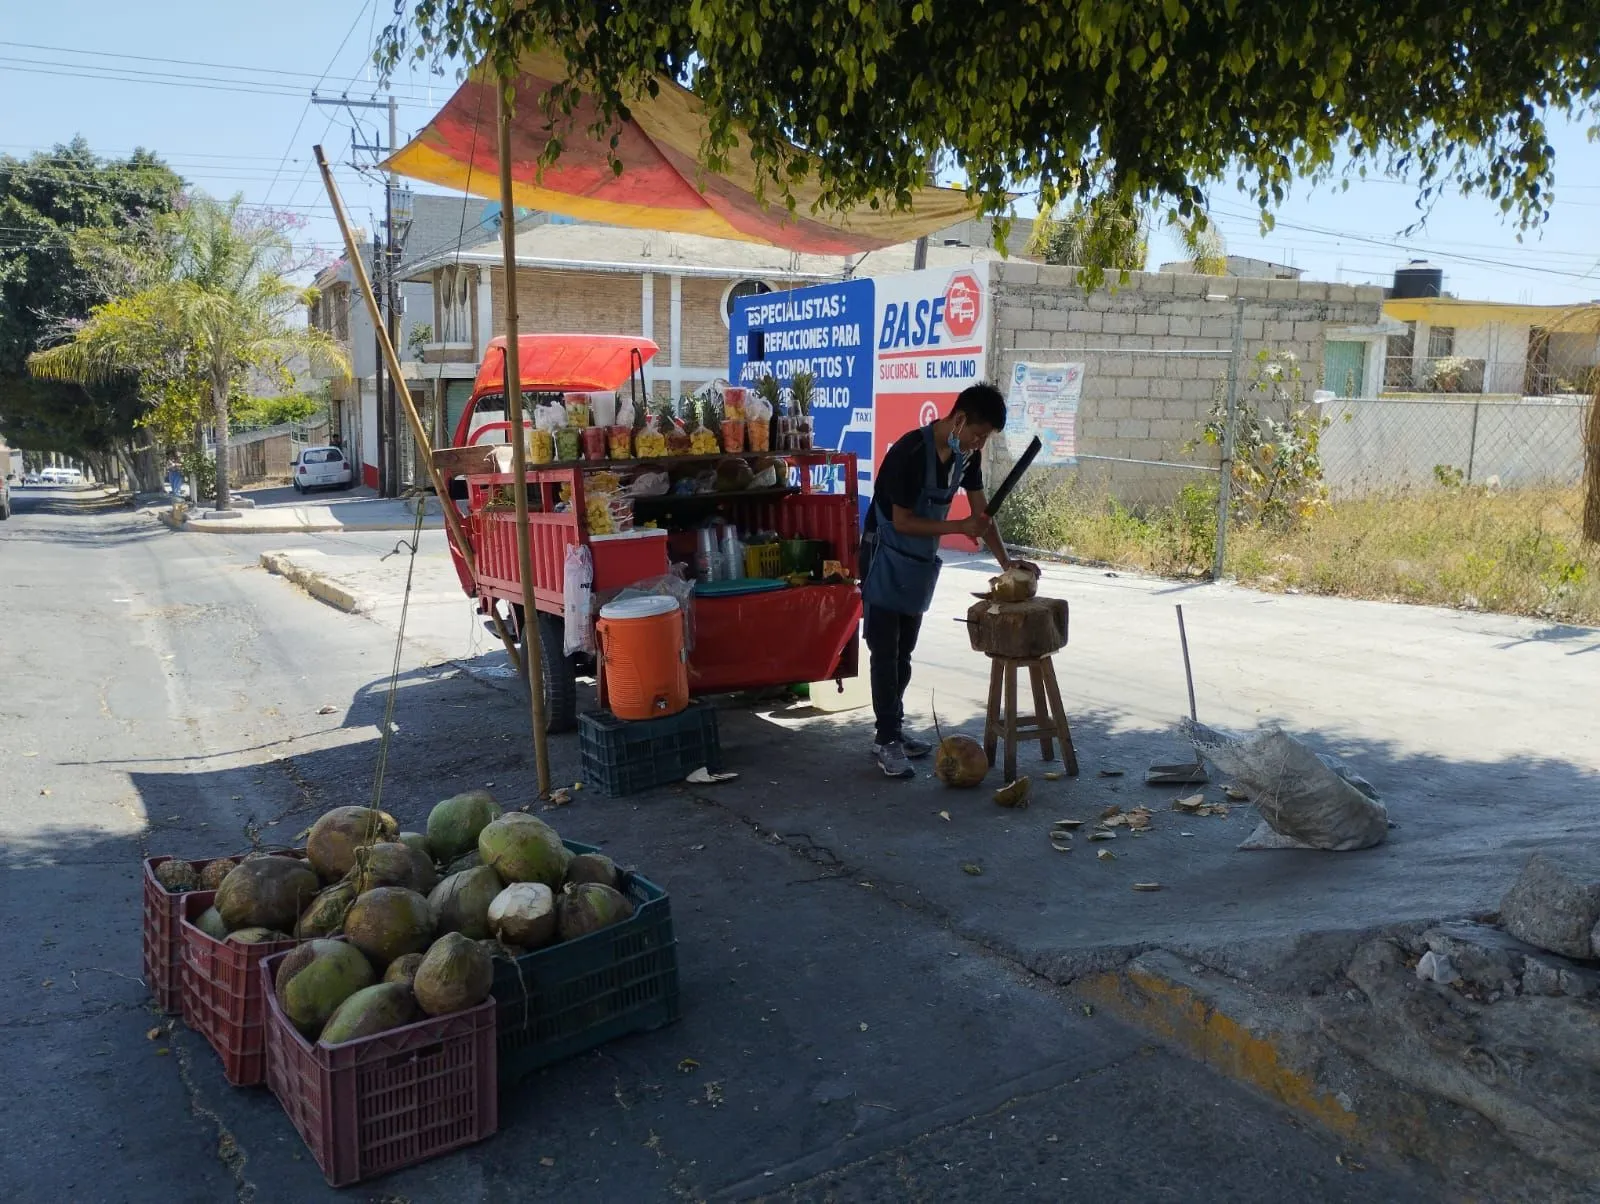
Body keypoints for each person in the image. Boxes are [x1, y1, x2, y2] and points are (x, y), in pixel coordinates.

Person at [859, 382, 1017, 779]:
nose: (979, 444)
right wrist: (957, 525)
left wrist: (1007, 563)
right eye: (978, 434)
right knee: (885, 650)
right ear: (960, 419)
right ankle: (886, 740)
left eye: (986, 439)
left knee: (904, 653)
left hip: (917, 562)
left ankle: (892, 730)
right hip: (884, 556)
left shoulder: (966, 458)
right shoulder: (909, 452)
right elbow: (902, 520)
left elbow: (983, 517)